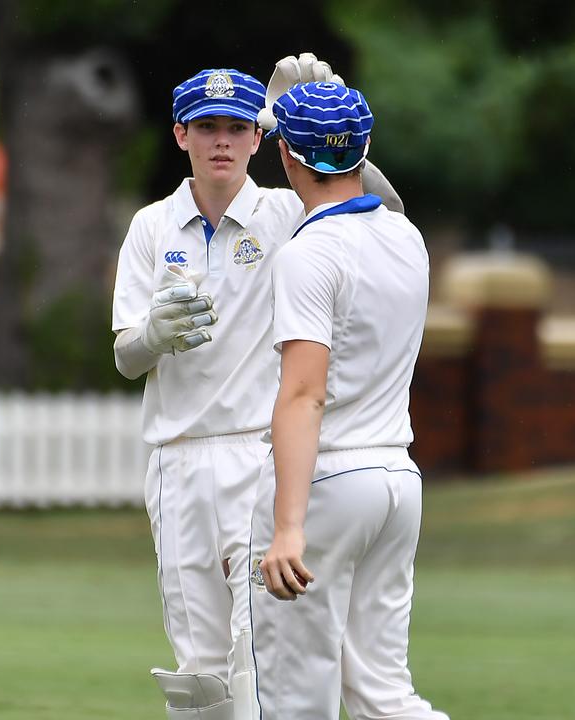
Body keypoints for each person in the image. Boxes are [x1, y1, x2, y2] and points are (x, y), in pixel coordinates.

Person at [111, 59, 402, 720]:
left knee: (263, 648)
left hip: (259, 457)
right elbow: (127, 357)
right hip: (177, 460)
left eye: (237, 127)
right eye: (206, 126)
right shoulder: (152, 228)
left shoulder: (282, 214)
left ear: (257, 137)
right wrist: (152, 334)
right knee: (200, 667)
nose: (221, 140)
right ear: (180, 134)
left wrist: (312, 119)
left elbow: (383, 208)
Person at [248, 80, 447, 720]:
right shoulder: (406, 239)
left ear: (288, 158)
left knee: (294, 694)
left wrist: (287, 527)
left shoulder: (308, 255)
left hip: (333, 479)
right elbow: (378, 194)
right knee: (382, 694)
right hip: (397, 482)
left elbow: (303, 395)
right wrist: (333, 120)